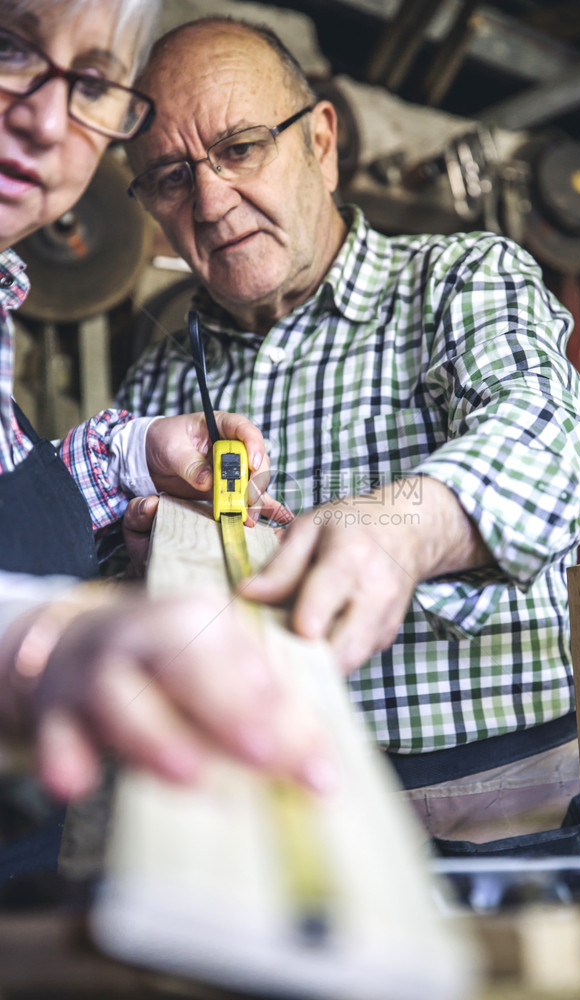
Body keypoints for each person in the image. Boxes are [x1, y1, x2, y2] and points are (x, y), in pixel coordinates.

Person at [118, 16, 580, 853]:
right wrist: (135, 566)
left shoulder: (461, 279)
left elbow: (555, 442)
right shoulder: (157, 388)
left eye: (240, 147)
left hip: (506, 806)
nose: (209, 201)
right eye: (169, 177)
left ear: (319, 141)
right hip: (271, 818)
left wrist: (398, 532)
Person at [0, 0, 335, 885]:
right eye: (7, 47)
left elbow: (549, 458)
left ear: (322, 143)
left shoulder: (468, 281)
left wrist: (127, 456)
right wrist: (58, 629)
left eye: (92, 83)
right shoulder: (166, 361)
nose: (43, 115)